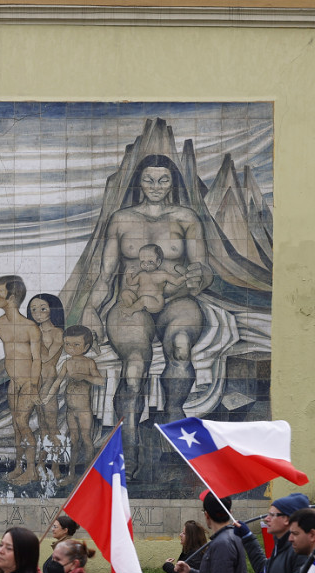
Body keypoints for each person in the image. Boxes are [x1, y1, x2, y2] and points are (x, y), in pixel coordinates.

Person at [86, 155, 213, 472]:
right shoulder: (122, 219)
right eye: (148, 180)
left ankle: (173, 413)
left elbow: (203, 267)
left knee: (180, 345)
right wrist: (91, 309)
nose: (156, 187)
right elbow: (106, 274)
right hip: (132, 304)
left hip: (177, 299)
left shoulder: (186, 217)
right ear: (138, 183)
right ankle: (128, 444)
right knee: (133, 369)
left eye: (163, 180)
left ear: (173, 183)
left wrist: (200, 277)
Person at [0, 276, 43, 485]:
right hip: (13, 383)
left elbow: (37, 359)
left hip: (28, 383)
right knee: (17, 426)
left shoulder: (30, 327)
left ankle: (31, 471)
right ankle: (19, 466)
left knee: (22, 423)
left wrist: (33, 386)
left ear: (11, 298)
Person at [46, 326, 105, 481]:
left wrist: (85, 376)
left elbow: (101, 381)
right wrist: (46, 398)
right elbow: (57, 382)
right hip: (70, 411)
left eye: (76, 345)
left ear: (86, 347)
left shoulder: (89, 363)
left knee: (86, 439)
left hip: (84, 410)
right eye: (67, 344)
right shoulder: (67, 363)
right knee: (73, 440)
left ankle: (88, 474)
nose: (71, 348)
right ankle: (71, 474)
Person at [28, 294, 66, 482]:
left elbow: (45, 358)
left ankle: (56, 466)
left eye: (43, 308)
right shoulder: (34, 332)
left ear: (53, 310)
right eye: (33, 309)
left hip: (49, 384)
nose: (38, 313)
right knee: (42, 426)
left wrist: (35, 339)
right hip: (37, 383)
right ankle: (41, 463)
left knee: (52, 427)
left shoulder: (57, 333)